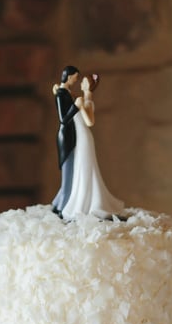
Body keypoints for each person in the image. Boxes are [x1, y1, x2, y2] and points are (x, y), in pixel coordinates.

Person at [58, 74, 124, 221]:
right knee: (81, 168)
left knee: (85, 168)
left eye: (84, 82)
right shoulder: (81, 98)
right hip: (79, 137)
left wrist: (80, 107)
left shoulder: (87, 101)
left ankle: (86, 204)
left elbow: (89, 122)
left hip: (84, 137)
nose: (81, 83)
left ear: (89, 85)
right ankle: (81, 202)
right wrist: (59, 91)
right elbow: (68, 97)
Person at [51, 65, 81, 215]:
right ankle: (62, 209)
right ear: (69, 77)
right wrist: (76, 107)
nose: (76, 80)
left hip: (70, 135)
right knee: (68, 177)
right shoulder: (60, 94)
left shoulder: (66, 92)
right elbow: (63, 119)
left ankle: (56, 204)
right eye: (75, 77)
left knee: (70, 175)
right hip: (66, 137)